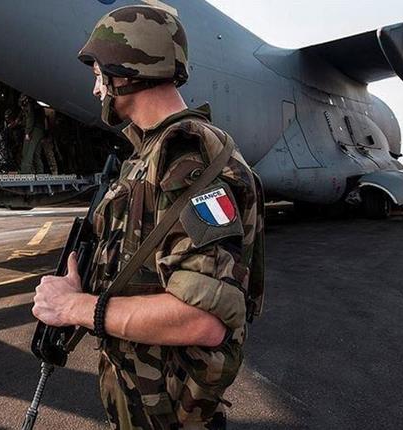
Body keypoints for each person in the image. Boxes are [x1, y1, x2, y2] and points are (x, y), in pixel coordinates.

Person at [31, 6, 264, 429]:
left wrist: (76, 307)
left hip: (173, 416)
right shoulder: (150, 154)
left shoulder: (188, 157)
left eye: (100, 72)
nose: (97, 86)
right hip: (144, 407)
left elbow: (203, 319)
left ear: (127, 70)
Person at [18, 95, 45, 174]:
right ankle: (40, 172)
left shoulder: (30, 105)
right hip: (40, 130)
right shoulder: (38, 104)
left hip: (34, 130)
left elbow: (30, 119)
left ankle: (24, 172)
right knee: (36, 154)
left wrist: (27, 133)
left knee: (27, 151)